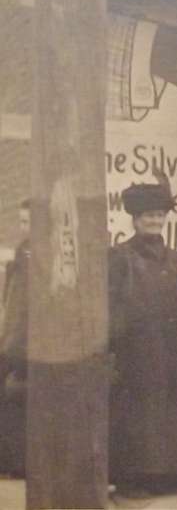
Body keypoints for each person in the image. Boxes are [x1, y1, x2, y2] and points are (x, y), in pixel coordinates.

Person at [108, 174, 177, 493]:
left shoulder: (175, 257)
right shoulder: (120, 255)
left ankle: (165, 477)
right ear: (135, 219)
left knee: (170, 412)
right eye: (148, 216)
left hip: (173, 346)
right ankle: (134, 480)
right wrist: (123, 339)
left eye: (159, 216)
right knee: (139, 415)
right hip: (137, 348)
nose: (154, 221)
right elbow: (113, 302)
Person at [0, 199, 30, 477]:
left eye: (30, 221)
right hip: (11, 340)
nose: (25, 228)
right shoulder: (21, 254)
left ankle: (20, 464)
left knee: (21, 403)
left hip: (26, 343)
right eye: (22, 221)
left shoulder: (39, 257)